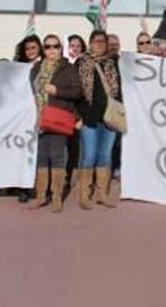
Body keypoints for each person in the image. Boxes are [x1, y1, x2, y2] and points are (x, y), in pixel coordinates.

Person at [29, 35, 82, 213]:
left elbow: (77, 92)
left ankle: (57, 196)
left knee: (57, 157)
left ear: (61, 48)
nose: (52, 50)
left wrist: (57, 90)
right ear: (44, 49)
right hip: (39, 118)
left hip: (58, 116)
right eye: (48, 46)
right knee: (41, 158)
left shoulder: (68, 68)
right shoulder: (36, 68)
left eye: (55, 46)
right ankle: (41, 195)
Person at [76, 30, 121, 210]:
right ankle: (85, 195)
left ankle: (102, 194)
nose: (100, 44)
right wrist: (81, 115)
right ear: (90, 42)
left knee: (104, 156)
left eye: (103, 41)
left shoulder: (112, 64)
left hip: (109, 119)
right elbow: (77, 91)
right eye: (96, 41)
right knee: (89, 156)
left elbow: (119, 91)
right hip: (89, 119)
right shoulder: (82, 63)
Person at [13, 35, 44, 203]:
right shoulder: (19, 68)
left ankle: (37, 186)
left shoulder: (45, 66)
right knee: (22, 152)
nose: (30, 51)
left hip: (39, 113)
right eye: (27, 48)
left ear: (39, 48)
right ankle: (23, 187)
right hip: (21, 116)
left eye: (33, 48)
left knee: (38, 152)